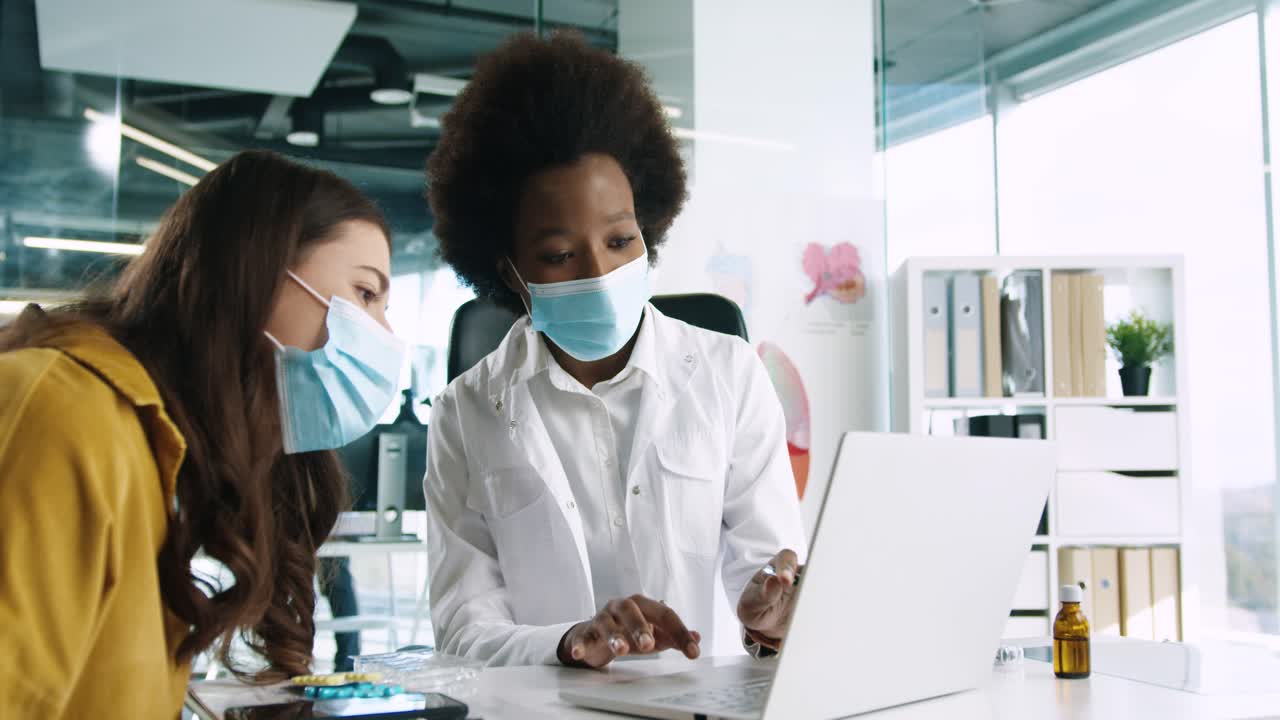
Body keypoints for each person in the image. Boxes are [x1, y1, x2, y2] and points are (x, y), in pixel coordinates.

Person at [424, 33, 807, 669]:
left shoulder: (728, 374)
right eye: (558, 255)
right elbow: (465, 629)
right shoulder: (465, 413)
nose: (600, 273)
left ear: (648, 230)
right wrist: (571, 641)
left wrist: (769, 612)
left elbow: (766, 565)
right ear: (508, 270)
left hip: (700, 707)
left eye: (621, 239)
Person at [0, 150, 404, 718]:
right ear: (256, 275)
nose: (383, 334)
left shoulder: (157, 450)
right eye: (365, 294)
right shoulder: (58, 414)